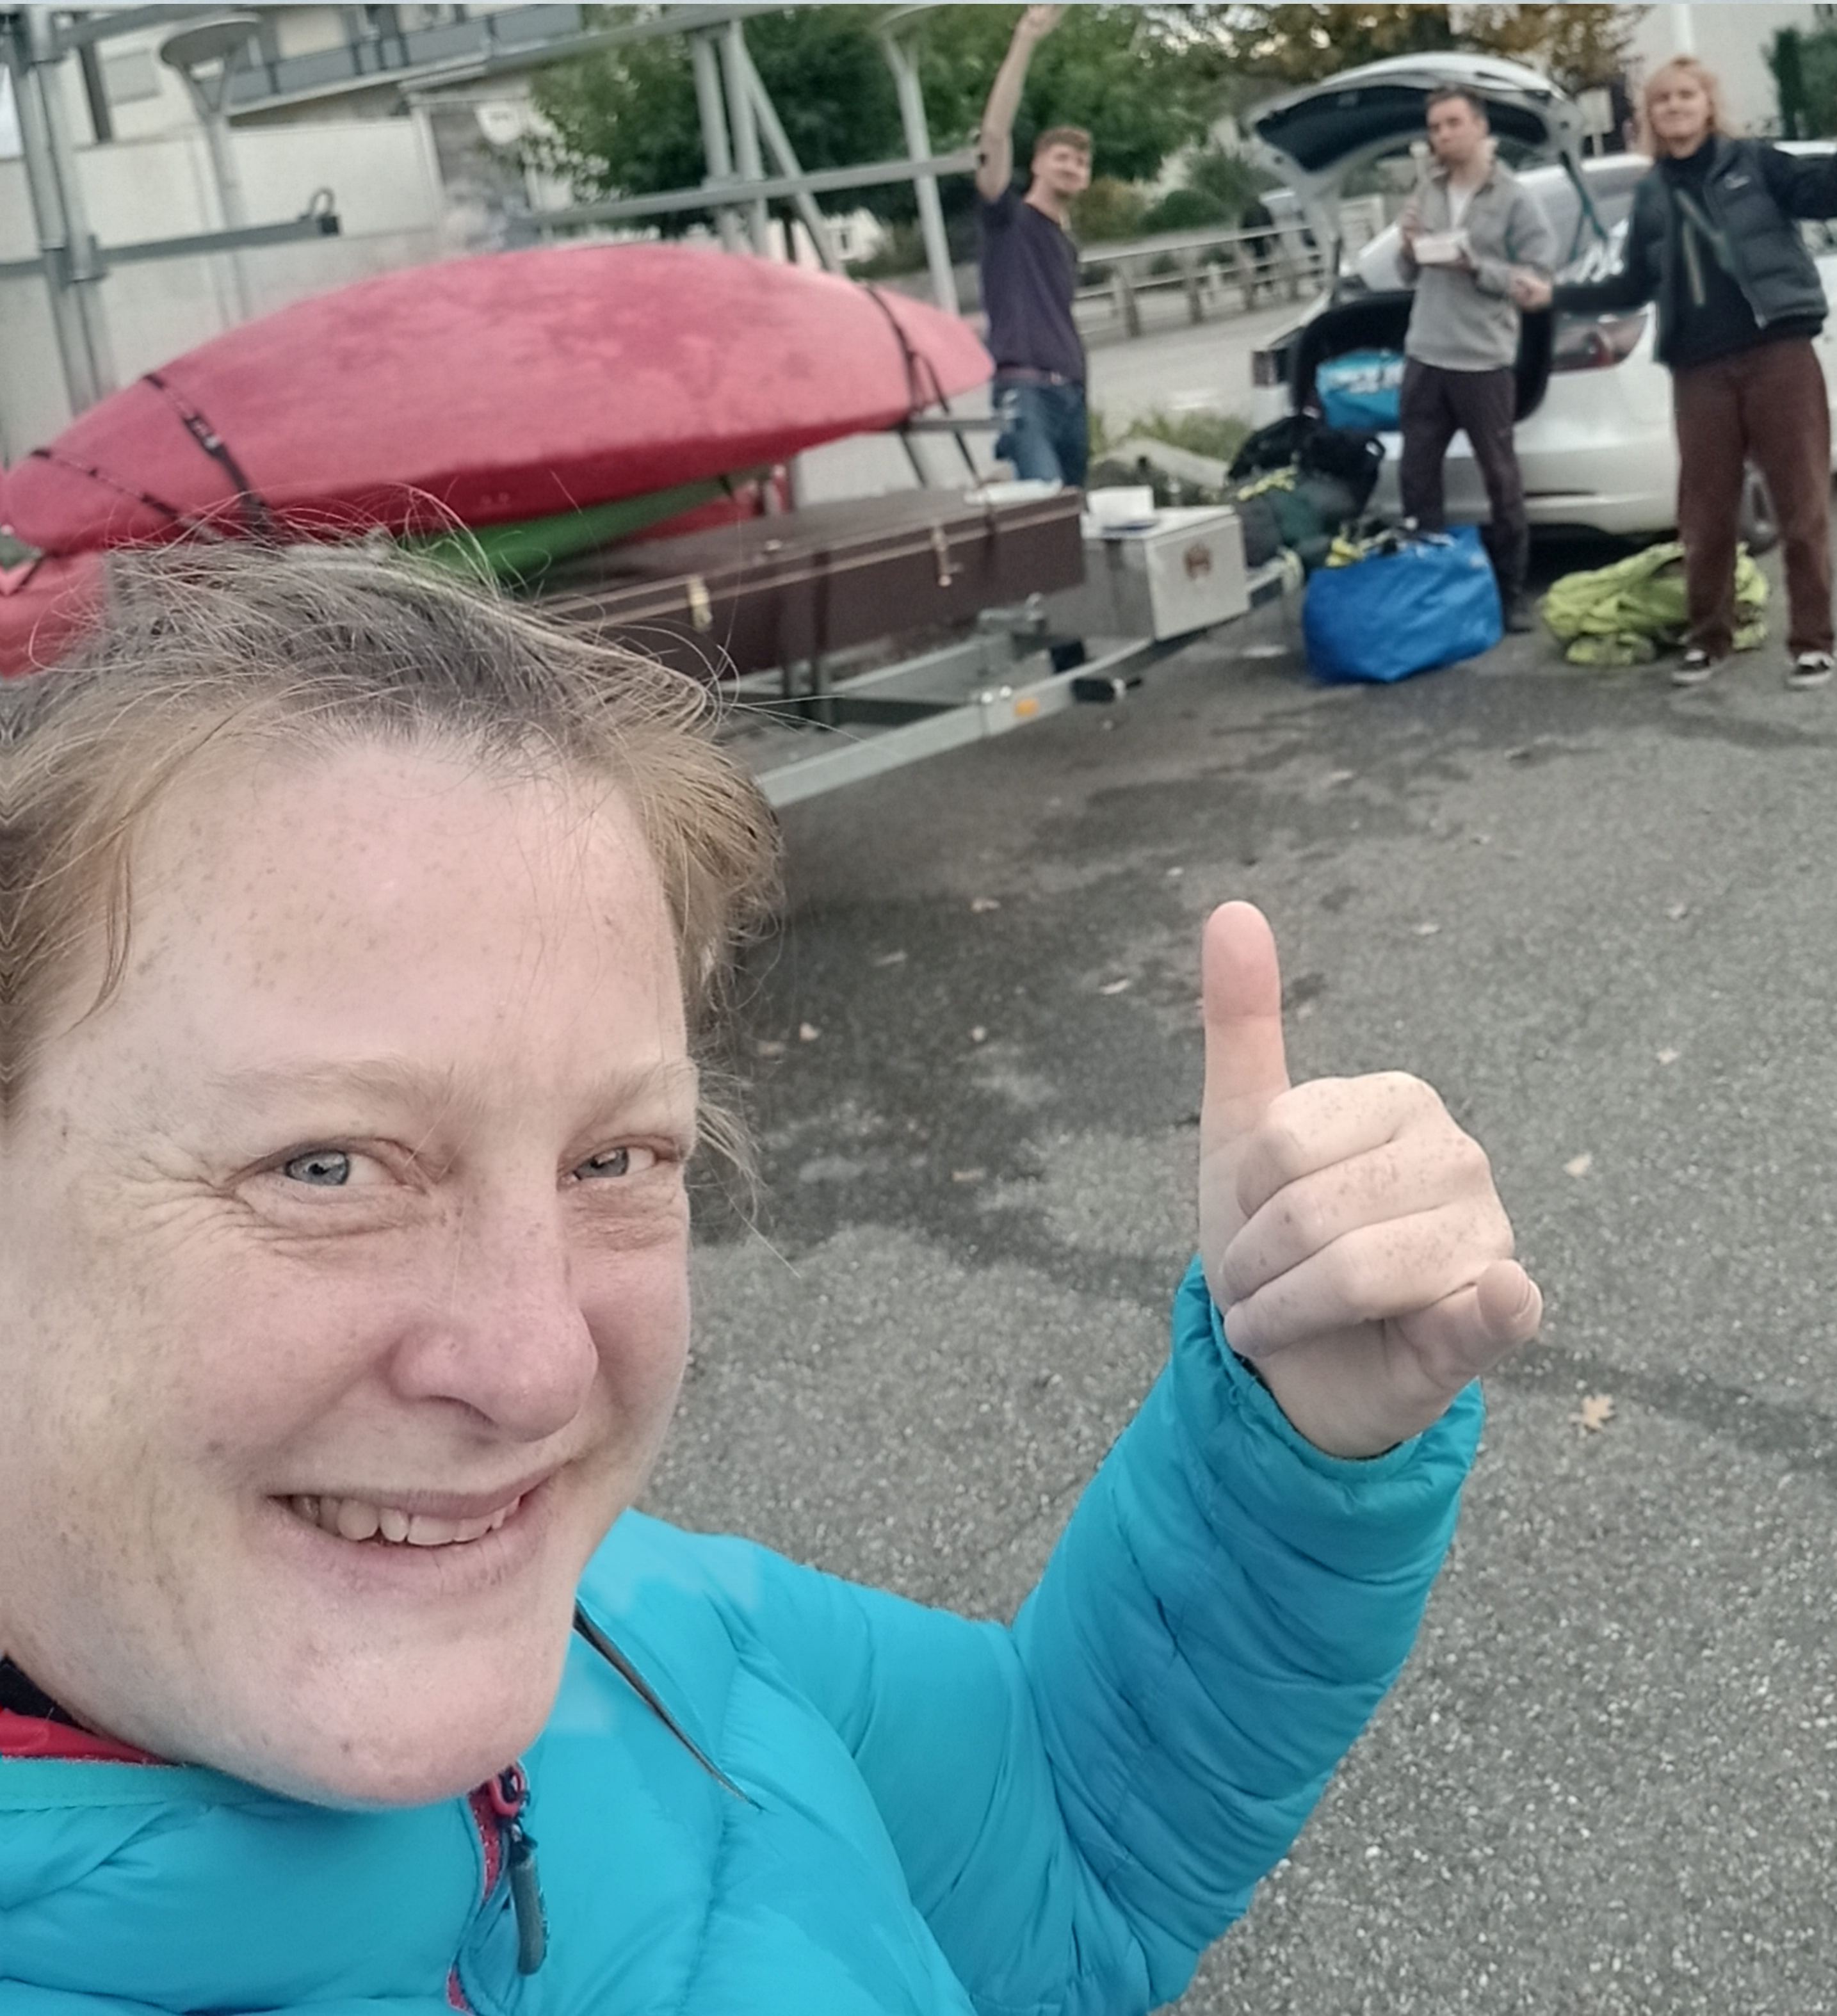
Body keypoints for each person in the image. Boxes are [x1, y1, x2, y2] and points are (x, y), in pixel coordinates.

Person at [0, 547, 1544, 2009]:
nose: (536, 1366)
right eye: (326, 1165)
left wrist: (1276, 1431)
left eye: (615, 1158)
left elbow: (1063, 1850)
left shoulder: (655, 1620)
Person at [1535, 58, 1837, 689]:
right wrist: (1554, 297)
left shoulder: (1755, 163)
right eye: (1662, 100)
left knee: (1801, 505)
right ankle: (1707, 637)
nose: (1675, 108)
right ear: (1651, 118)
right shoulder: (1652, 195)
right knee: (1705, 513)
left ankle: (1813, 641)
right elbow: (1631, 281)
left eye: (1686, 96)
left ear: (1707, 105)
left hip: (1777, 351)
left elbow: (1829, 196)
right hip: (1699, 367)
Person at [1393, 85, 1558, 634]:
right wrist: (1408, 245)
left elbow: (1537, 279)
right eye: (1435, 127)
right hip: (1425, 352)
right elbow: (1406, 274)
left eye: (1452, 124)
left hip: (1483, 358)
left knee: (1501, 479)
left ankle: (1510, 593)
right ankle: (1430, 585)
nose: (1442, 136)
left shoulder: (1514, 197)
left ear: (1480, 127)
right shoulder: (1428, 188)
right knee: (1417, 476)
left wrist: (1476, 267)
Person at [975, 4, 1092, 489]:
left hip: (1072, 395)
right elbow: (994, 134)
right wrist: (1026, 39)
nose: (1073, 167)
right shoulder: (1008, 219)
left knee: (1077, 517)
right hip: (1025, 391)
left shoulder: (1065, 242)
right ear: (1038, 163)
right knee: (1046, 515)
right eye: (1063, 157)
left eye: (1083, 163)